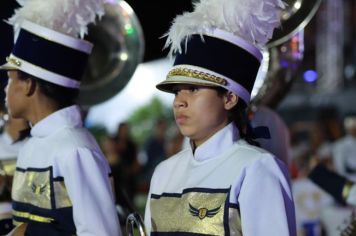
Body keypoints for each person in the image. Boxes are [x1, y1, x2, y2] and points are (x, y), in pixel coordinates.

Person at [143, 0, 296, 235]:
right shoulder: (164, 172)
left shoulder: (257, 169)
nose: (179, 101)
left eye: (193, 89)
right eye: (176, 91)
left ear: (229, 98)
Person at [0, 0, 121, 235]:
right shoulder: (33, 144)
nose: (6, 89)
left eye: (12, 78)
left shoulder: (75, 150)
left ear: (29, 85)